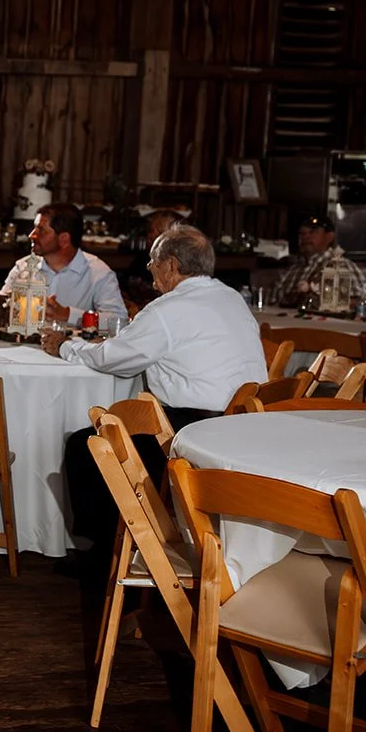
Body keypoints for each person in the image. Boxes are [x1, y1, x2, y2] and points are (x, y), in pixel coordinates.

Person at [45, 225, 267, 558]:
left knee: (88, 445)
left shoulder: (168, 309)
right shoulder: (230, 296)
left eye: (153, 262)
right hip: (244, 428)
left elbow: (116, 359)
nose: (149, 269)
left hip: (193, 436)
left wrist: (66, 346)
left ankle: (107, 554)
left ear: (172, 266)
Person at [0, 202, 127, 325]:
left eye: (41, 230)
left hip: (71, 347)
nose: (31, 235)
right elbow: (1, 306)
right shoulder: (23, 267)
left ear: (64, 239)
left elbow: (117, 319)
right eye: (34, 228)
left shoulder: (99, 273)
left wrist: (68, 315)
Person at [274, 213, 366, 308]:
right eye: (301, 233)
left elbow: (359, 302)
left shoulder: (342, 265)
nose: (305, 237)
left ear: (329, 236)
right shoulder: (290, 271)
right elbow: (271, 305)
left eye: (313, 232)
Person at [119, 209, 181, 313]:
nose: (152, 235)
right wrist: (129, 304)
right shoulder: (141, 259)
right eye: (151, 230)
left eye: (160, 232)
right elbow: (122, 289)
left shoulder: (178, 267)